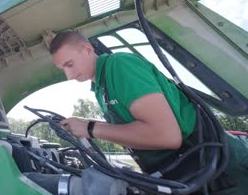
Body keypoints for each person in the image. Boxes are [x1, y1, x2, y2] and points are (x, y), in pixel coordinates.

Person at [49, 30, 247, 194]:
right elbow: (133, 129)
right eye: (62, 69)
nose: (69, 75)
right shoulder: (101, 87)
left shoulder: (119, 66)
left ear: (87, 49)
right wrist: (87, 125)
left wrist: (91, 128)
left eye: (70, 64)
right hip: (190, 172)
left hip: (223, 172)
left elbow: (167, 136)